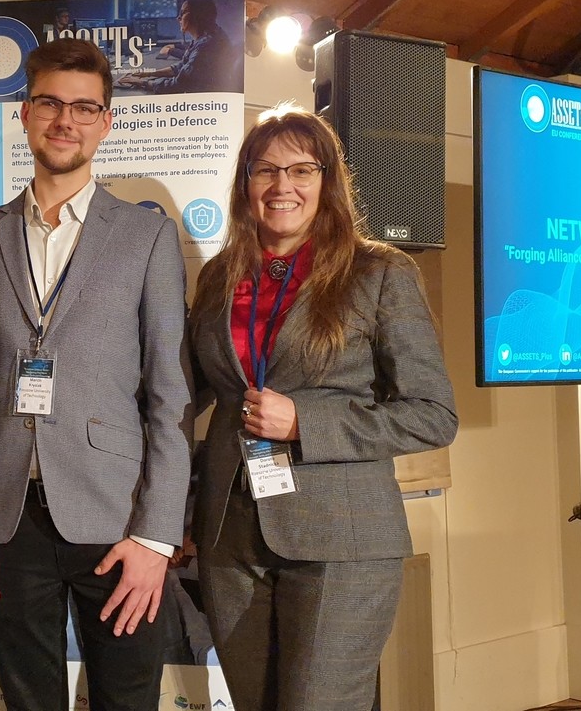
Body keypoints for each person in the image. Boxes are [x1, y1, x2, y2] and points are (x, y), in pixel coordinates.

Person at [0, 38, 193, 711]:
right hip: (5, 517)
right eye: (50, 103)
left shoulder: (146, 237)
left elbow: (170, 395)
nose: (65, 121)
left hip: (118, 517)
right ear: (25, 113)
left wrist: (156, 536)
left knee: (127, 700)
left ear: (105, 122)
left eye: (84, 108)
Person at [185, 104, 458, 710]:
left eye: (301, 170)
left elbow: (434, 414)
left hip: (343, 542)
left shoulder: (379, 272)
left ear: (327, 181)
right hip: (231, 539)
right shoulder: (219, 277)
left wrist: (306, 422)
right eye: (265, 170)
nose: (281, 185)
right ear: (245, 184)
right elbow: (181, 394)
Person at [121, 0, 236, 94]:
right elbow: (182, 67)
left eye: (183, 13)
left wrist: (140, 82)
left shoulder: (206, 45)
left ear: (197, 16)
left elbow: (177, 85)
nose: (178, 18)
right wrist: (148, 73)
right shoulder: (206, 37)